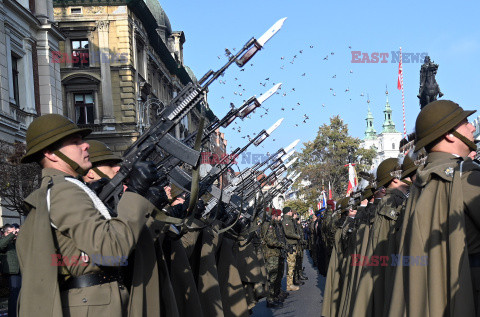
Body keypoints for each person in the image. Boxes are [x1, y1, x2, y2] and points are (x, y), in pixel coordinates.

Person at [16, 114, 159, 316]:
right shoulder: (64, 190)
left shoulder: (69, 188)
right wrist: (135, 193)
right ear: (51, 154)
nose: (86, 146)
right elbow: (111, 250)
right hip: (94, 305)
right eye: (75, 142)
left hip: (97, 300)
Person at [388, 100, 480, 316]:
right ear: (449, 134)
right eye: (465, 122)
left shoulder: (422, 180)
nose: (472, 127)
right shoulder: (464, 176)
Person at [0, 224, 20, 317]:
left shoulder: (15, 242)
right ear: (6, 233)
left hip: (20, 271)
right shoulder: (4, 240)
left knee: (20, 295)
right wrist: (12, 235)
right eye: (12, 232)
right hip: (12, 273)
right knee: (14, 296)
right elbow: (1, 245)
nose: (15, 234)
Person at [282, 207, 300, 291]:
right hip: (290, 245)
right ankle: (289, 285)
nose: (292, 213)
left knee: (292, 265)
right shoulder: (287, 221)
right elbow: (288, 233)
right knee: (291, 265)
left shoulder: (289, 220)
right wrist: (297, 236)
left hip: (291, 244)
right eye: (291, 211)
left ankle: (290, 283)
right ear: (288, 212)